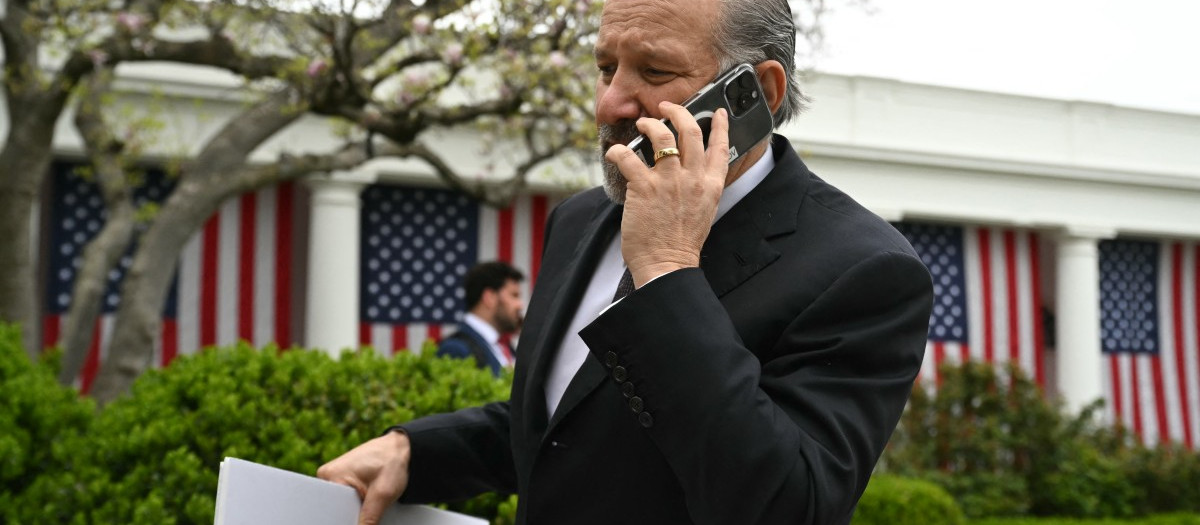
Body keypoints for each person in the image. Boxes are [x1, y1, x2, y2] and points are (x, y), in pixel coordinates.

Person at [318, 0, 934, 523]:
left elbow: (785, 503)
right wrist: (415, 453)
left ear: (759, 93)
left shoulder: (865, 268)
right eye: (606, 67)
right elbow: (573, 419)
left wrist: (666, 271)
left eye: (654, 70)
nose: (611, 103)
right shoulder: (580, 219)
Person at [437, 261, 524, 377]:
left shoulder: (506, 347)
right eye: (514, 295)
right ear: (489, 298)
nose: (520, 305)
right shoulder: (455, 350)